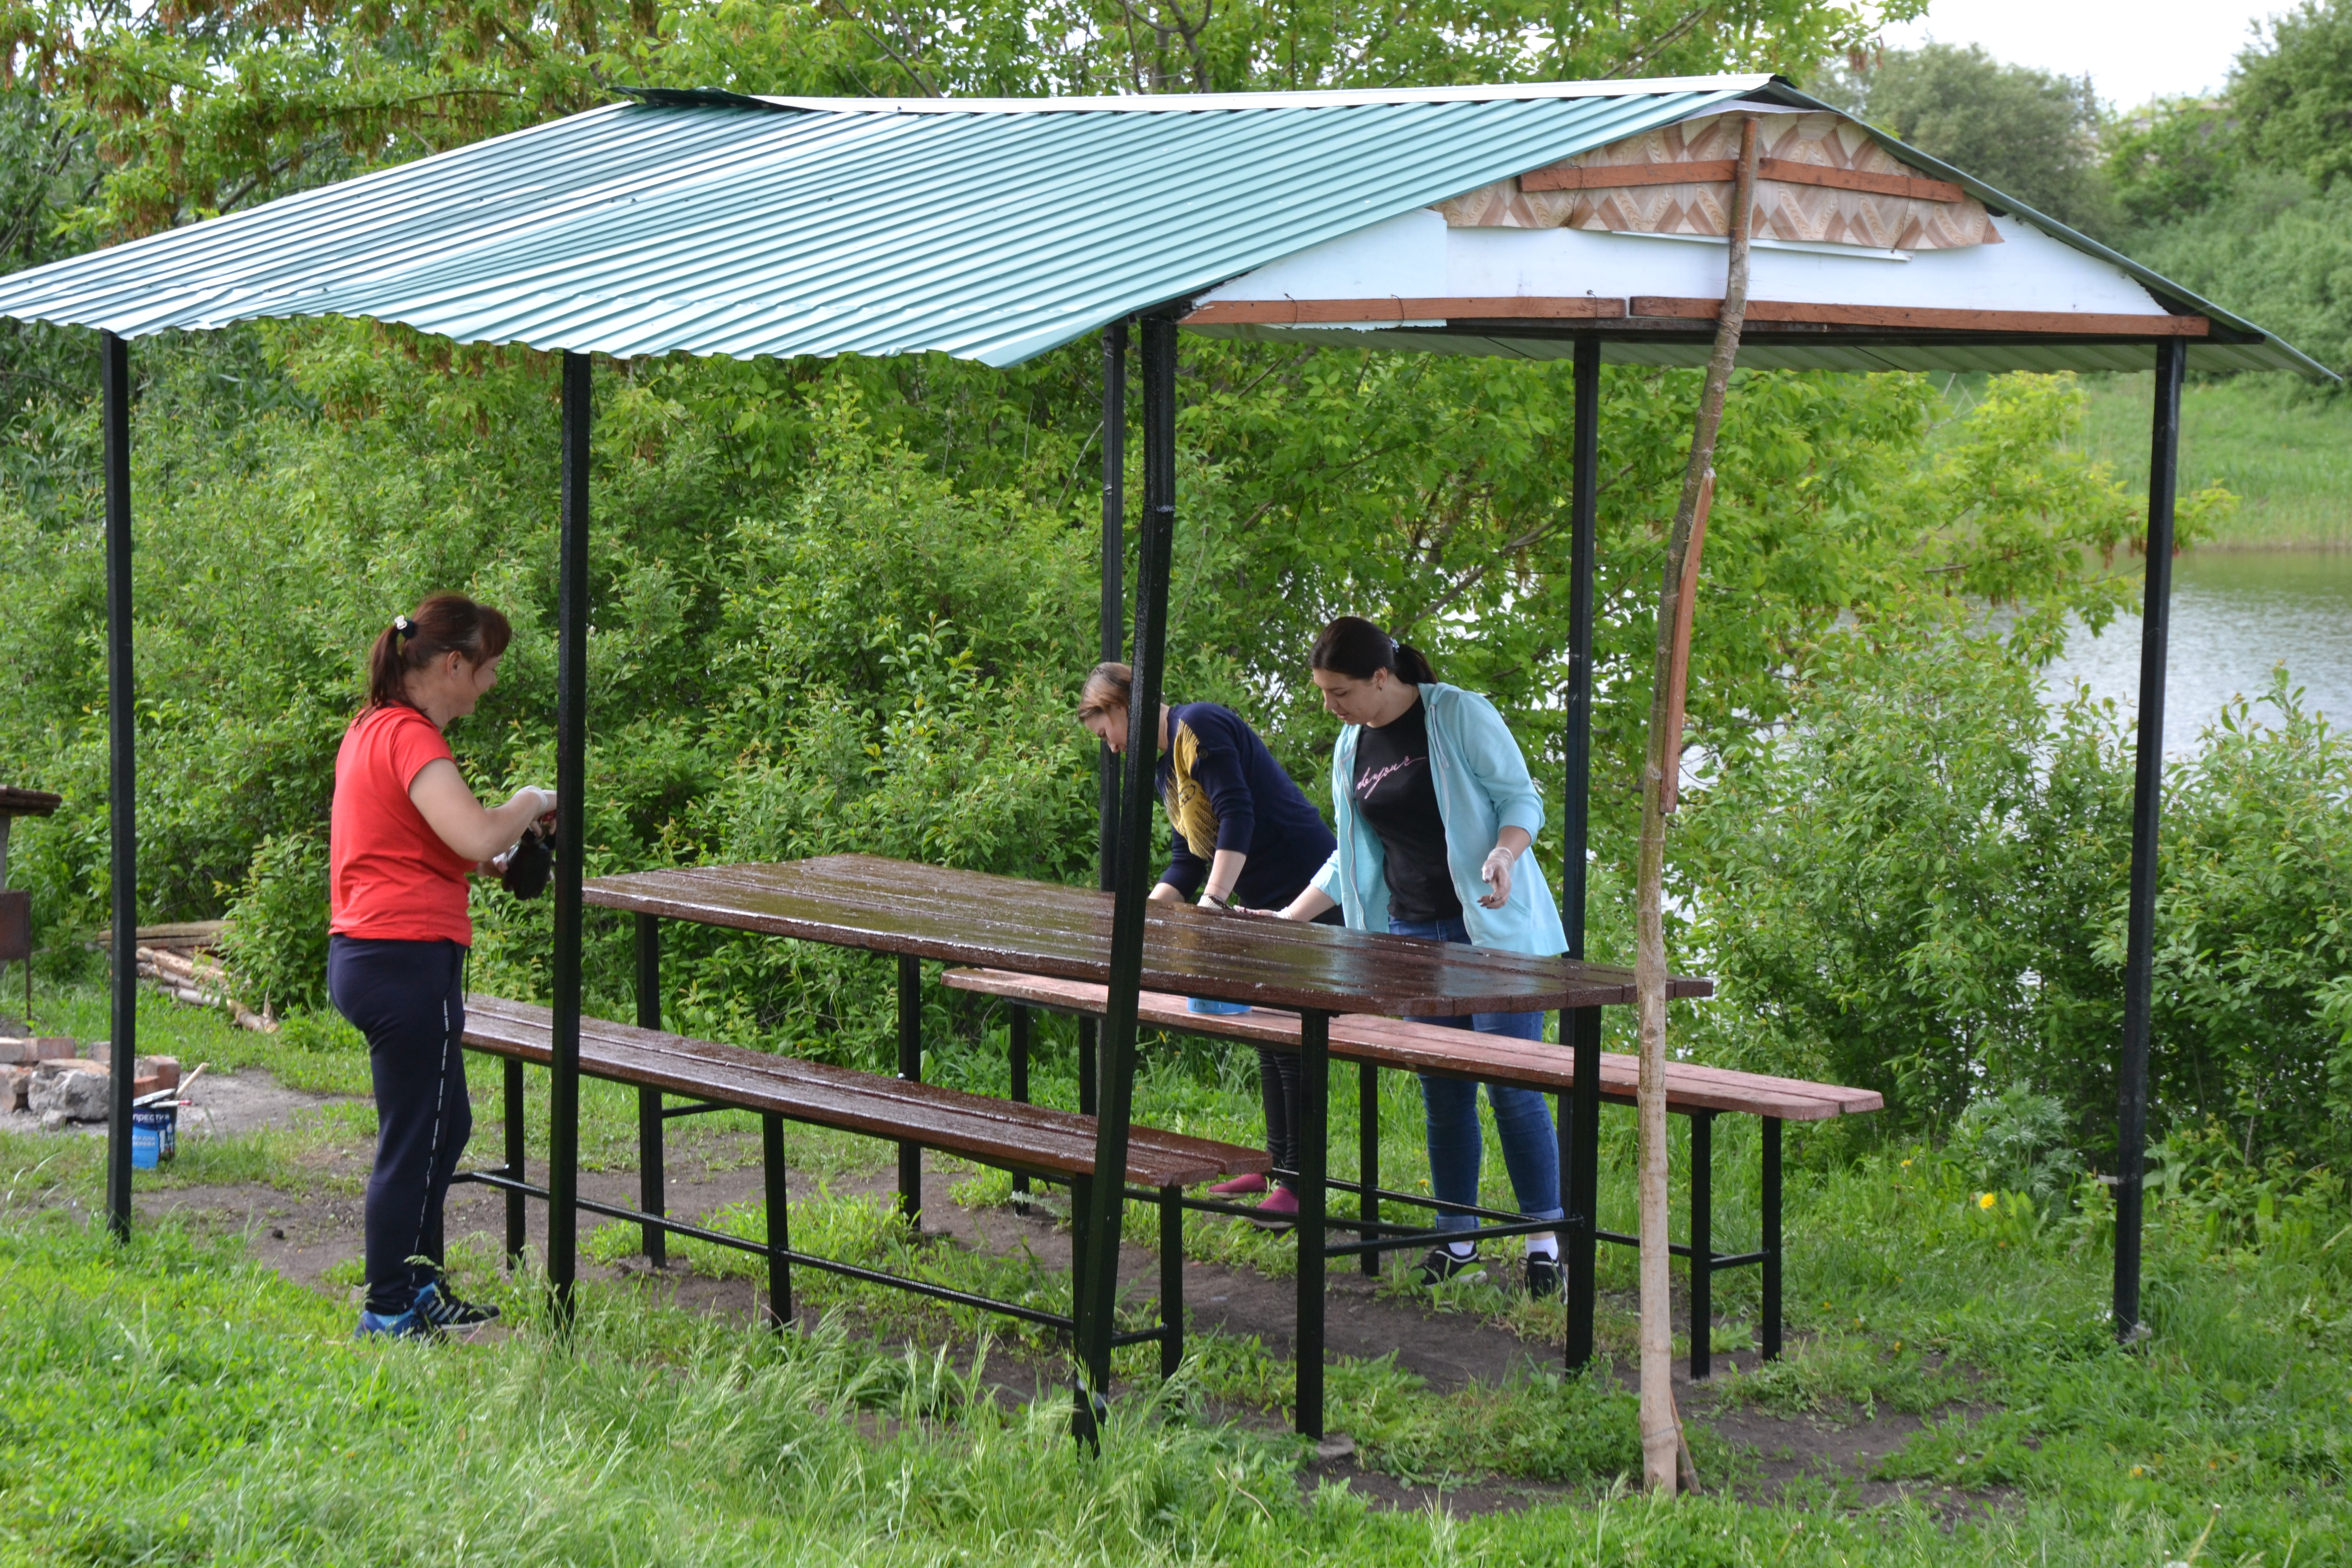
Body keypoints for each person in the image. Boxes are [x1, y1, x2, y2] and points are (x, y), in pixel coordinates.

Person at [1271, 617, 1571, 1296]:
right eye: (1323, 692)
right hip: (1411, 938)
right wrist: (1289, 919)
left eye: (1340, 691)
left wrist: (1505, 852)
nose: (1330, 706)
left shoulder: (1459, 714)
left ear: (1383, 677)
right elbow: (1352, 852)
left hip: (1493, 938)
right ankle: (1457, 1240)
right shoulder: (1353, 744)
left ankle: (1545, 1243)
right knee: (1443, 1092)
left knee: (1514, 1091)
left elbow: (1520, 798)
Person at [329, 594, 554, 1338]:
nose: (490, 685)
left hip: (374, 955)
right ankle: (388, 1305)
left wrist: (501, 861)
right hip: (403, 960)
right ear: (453, 664)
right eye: (488, 669)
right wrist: (531, 800)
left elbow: (433, 846)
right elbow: (471, 832)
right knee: (414, 1137)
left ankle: (419, 1284)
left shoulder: (373, 729)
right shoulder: (411, 737)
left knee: (441, 1123)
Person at [1077, 662, 1337, 1224]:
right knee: (1267, 1036)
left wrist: (1212, 908)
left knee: (1292, 1040)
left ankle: (1298, 1183)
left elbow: (1238, 816)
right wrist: (1141, 920)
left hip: (1308, 892)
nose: (1113, 748)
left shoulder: (1198, 726)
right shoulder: (1161, 766)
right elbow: (1188, 855)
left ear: (1123, 706)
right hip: (1257, 903)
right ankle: (1275, 1163)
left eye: (1107, 733)